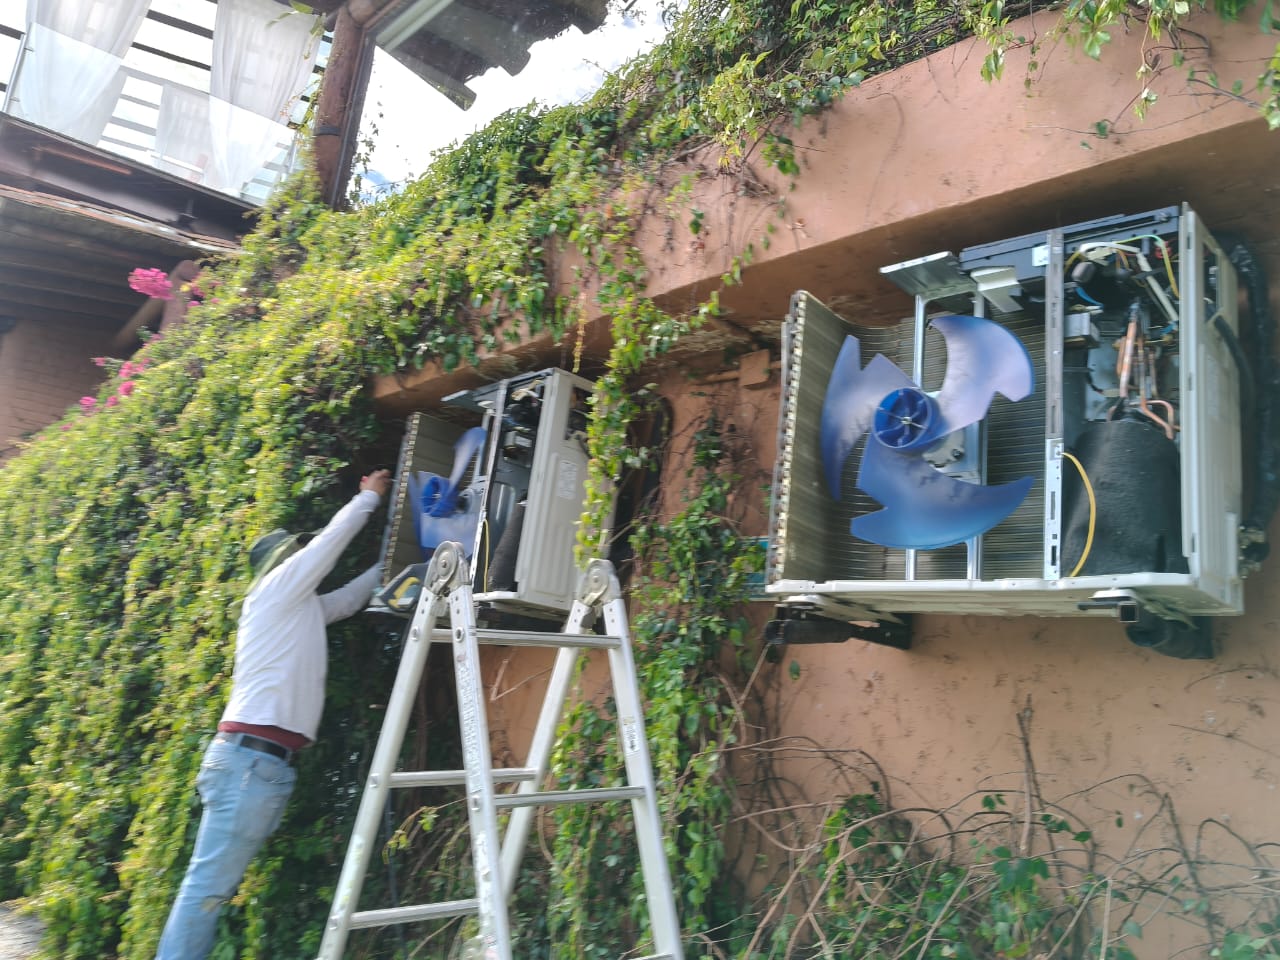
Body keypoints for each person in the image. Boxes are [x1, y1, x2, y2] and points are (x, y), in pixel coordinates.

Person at [155, 469, 392, 960]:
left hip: (258, 766)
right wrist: (367, 499)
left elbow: (350, 599)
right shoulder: (272, 591)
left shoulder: (299, 609)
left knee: (209, 888)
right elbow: (326, 548)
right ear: (283, 564)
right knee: (206, 889)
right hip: (250, 765)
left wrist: (399, 562)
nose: (302, 559)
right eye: (295, 555)